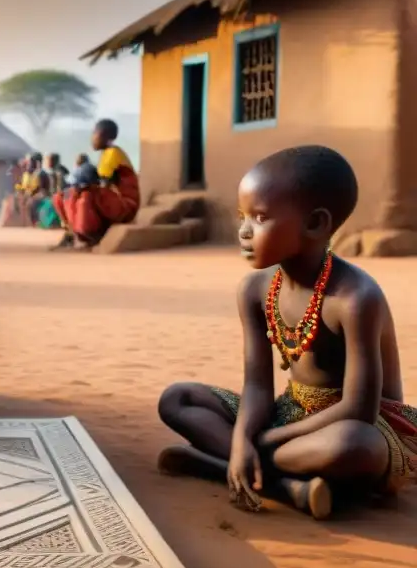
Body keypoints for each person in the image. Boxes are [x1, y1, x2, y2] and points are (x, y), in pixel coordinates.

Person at [155, 146, 416, 519]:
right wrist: (245, 435)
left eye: (260, 218)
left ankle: (222, 465)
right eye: (242, 216)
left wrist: (257, 441)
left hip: (363, 425)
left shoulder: (355, 297)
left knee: (350, 446)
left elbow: (359, 408)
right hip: (288, 414)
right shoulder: (255, 290)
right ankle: (286, 485)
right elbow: (258, 386)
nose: (244, 231)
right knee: (178, 399)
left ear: (315, 224)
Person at [52, 120, 140, 250]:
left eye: (95, 133)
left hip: (126, 204)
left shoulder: (113, 153)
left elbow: (101, 185)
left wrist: (79, 188)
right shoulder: (106, 155)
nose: (92, 138)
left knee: (86, 196)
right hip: (111, 201)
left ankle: (89, 236)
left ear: (105, 135)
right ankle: (72, 233)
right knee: (60, 197)